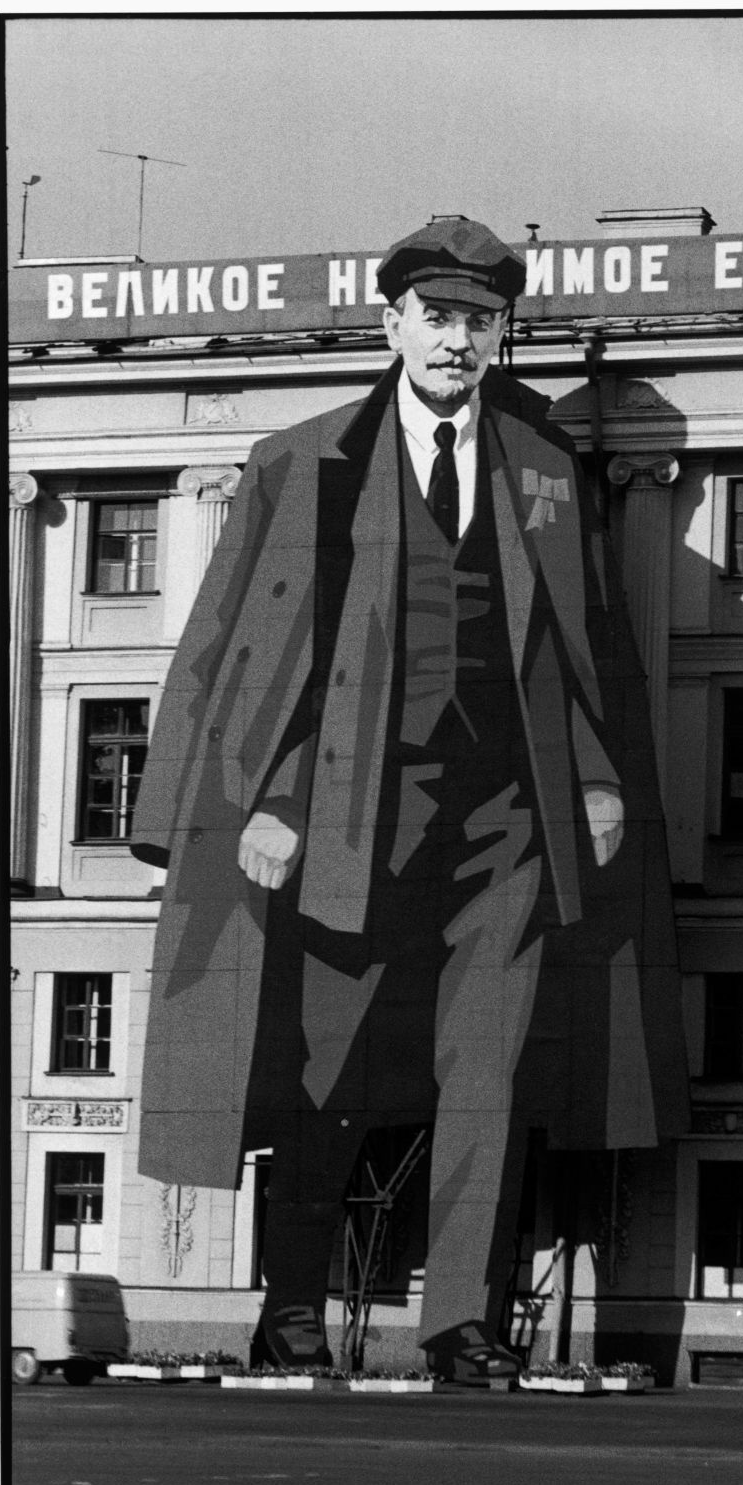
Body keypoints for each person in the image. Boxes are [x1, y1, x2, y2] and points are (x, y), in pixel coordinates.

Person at [129, 216, 687, 1378]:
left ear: (500, 337)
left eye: (478, 323)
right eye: (436, 317)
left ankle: (459, 1324)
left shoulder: (543, 470)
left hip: (508, 815)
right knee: (331, 1071)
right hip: (347, 809)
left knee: (485, 1071)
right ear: (393, 324)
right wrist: (260, 804)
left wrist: (594, 781)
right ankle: (292, 1307)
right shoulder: (305, 461)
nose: (456, 340)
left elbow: (590, 648)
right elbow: (239, 649)